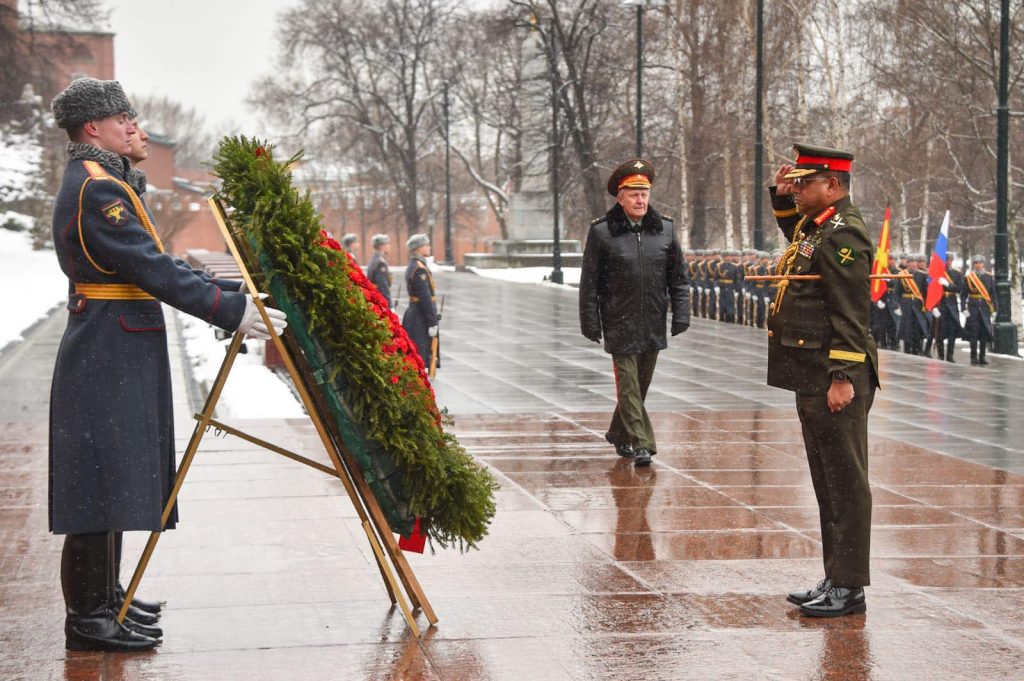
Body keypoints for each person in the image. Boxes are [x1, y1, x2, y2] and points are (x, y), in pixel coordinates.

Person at [48, 78, 287, 652]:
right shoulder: (96, 190)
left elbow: (151, 263)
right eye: (122, 119)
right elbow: (150, 269)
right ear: (92, 129)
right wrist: (229, 309)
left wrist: (216, 285)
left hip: (117, 344)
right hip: (107, 348)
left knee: (114, 480)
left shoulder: (107, 183)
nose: (136, 128)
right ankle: (88, 617)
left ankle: (108, 598)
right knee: (98, 485)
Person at [767, 144, 878, 617]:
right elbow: (798, 241)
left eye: (804, 182)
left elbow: (852, 313)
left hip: (834, 378)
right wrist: (779, 194)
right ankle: (836, 577)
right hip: (812, 372)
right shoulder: (821, 228)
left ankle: (849, 587)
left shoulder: (844, 233)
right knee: (827, 479)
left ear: (832, 186)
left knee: (846, 483)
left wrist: (843, 376)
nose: (797, 189)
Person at [579, 158, 690, 467]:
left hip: (652, 320)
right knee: (628, 384)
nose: (640, 200)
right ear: (620, 197)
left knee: (639, 387)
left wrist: (681, 314)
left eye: (644, 194)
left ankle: (618, 432)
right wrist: (590, 321)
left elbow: (678, 278)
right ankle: (643, 444)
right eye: (633, 194)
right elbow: (589, 282)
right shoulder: (602, 233)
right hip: (619, 321)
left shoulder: (664, 230)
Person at [402, 233, 439, 369]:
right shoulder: (419, 269)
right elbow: (425, 298)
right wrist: (432, 322)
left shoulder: (417, 265)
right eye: (426, 245)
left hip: (416, 314)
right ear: (418, 248)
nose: (429, 247)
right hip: (420, 316)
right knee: (420, 357)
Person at [962, 254, 996, 365]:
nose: (978, 265)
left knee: (983, 333)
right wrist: (963, 308)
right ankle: (973, 357)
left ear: (983, 264)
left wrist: (995, 309)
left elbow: (993, 294)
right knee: (973, 333)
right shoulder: (969, 277)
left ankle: (982, 357)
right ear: (973, 265)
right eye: (976, 263)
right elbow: (964, 294)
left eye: (980, 263)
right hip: (973, 308)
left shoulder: (989, 276)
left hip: (985, 308)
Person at [932, 254, 963, 362]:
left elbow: (960, 288)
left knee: (952, 333)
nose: (948, 262)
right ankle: (941, 355)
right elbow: (932, 292)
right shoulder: (936, 274)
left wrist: (948, 285)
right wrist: (933, 307)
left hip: (952, 305)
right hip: (941, 304)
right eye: (946, 260)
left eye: (950, 260)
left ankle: (950, 355)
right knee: (940, 333)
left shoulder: (957, 274)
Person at [367, 233, 393, 307]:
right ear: (381, 246)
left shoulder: (375, 259)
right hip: (380, 301)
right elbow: (383, 286)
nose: (389, 246)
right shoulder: (380, 262)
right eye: (387, 244)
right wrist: (389, 305)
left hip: (375, 298)